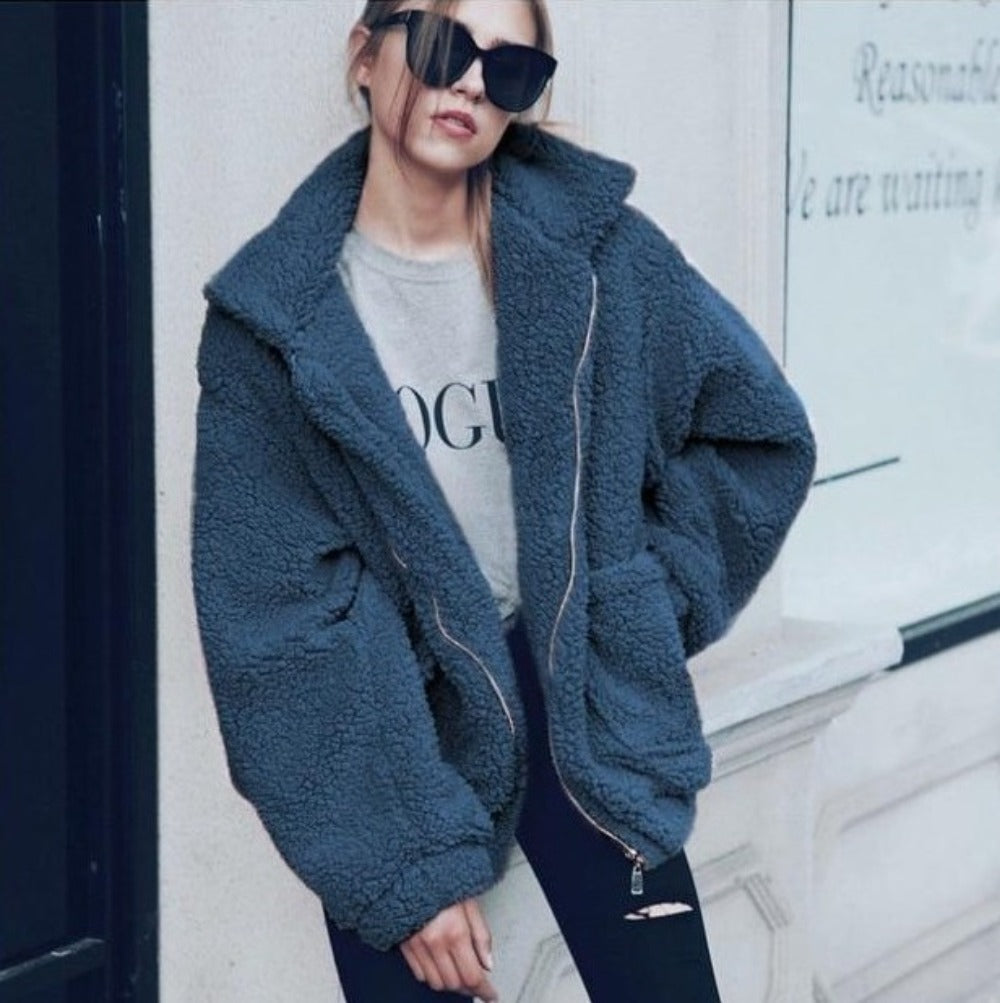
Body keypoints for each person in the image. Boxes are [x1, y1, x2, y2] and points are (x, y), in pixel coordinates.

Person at [190, 1, 817, 1000]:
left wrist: (635, 604)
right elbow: (275, 618)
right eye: (446, 47)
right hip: (393, 723)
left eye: (512, 68)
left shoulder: (602, 261)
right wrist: (405, 868)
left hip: (588, 703)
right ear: (364, 57)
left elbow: (756, 437)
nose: (474, 83)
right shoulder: (274, 326)